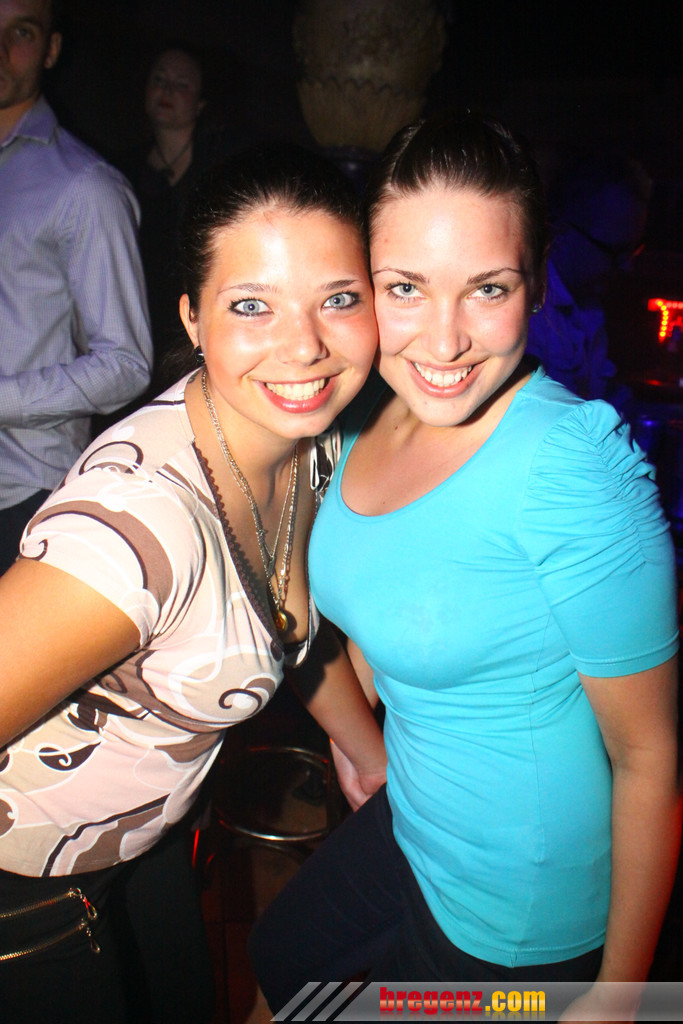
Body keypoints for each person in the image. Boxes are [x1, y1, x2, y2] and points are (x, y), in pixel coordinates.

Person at [249, 112, 681, 1022]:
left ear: (537, 281)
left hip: (516, 909)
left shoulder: (573, 471)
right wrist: (359, 728)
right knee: (278, 961)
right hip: (412, 819)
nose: (443, 343)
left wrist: (620, 997)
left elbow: (649, 756)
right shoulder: (362, 413)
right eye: (405, 288)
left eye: (487, 288)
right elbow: (393, 592)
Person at [0, 144, 385, 1023]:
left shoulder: (312, 441)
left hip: (144, 850)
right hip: (25, 896)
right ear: (192, 318)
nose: (305, 345)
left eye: (338, 299)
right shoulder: (135, 535)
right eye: (252, 305)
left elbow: (284, 621)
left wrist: (365, 751)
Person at [0, 0, 153, 574]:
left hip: (23, 494)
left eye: (20, 32)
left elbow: (125, 363)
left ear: (51, 48)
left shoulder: (85, 186)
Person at [121, 45, 233, 393]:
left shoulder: (219, 165)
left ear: (200, 103)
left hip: (196, 320)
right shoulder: (122, 170)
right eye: (159, 80)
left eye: (181, 84)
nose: (167, 90)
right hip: (139, 320)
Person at [526, 148, 651, 405]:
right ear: (560, 232)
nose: (627, 266)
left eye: (634, 250)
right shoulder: (528, 313)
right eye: (615, 251)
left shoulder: (588, 304)